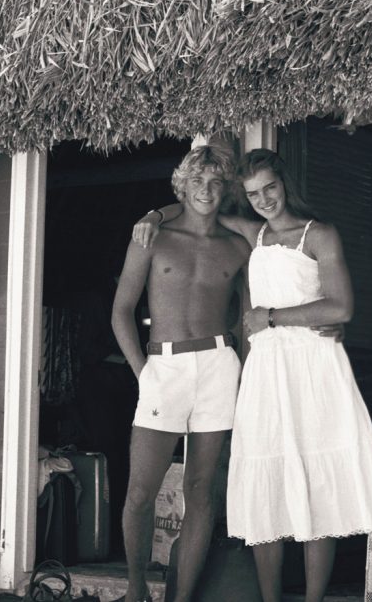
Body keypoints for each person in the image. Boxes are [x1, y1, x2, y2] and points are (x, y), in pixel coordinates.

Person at [134, 148, 372, 602]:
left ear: (285, 184)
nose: (264, 200)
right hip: (265, 370)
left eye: (270, 188)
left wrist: (273, 316)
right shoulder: (253, 234)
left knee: (320, 483)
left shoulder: (319, 235)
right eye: (254, 193)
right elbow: (202, 205)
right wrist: (155, 213)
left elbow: (341, 306)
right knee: (266, 484)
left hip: (316, 368)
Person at [111, 144, 250, 602]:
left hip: (218, 364)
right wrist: (142, 372)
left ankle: (181, 598)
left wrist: (248, 374)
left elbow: (247, 320)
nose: (206, 191)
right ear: (182, 186)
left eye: (214, 183)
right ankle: (136, 590)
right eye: (197, 182)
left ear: (225, 188)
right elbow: (121, 312)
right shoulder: (152, 236)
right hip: (162, 367)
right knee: (139, 492)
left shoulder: (238, 246)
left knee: (201, 490)